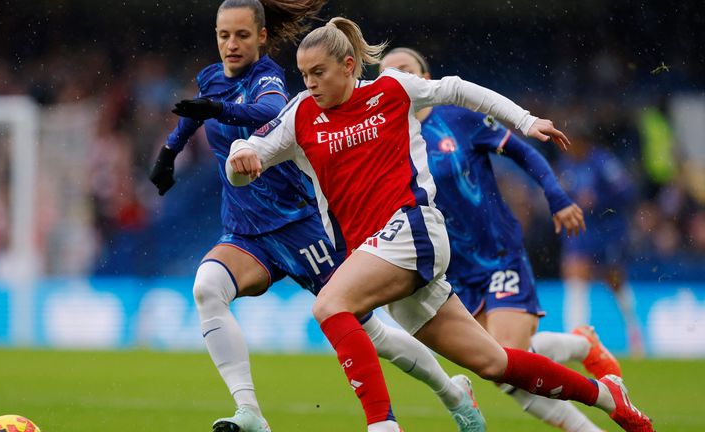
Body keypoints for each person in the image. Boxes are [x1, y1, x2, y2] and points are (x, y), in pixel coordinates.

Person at [226, 17, 654, 432]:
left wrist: (526, 121)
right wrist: (238, 160)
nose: (310, 83)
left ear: (349, 66)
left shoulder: (392, 88)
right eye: (304, 75)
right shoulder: (301, 114)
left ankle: (383, 424)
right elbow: (249, 155)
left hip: (413, 230)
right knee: (496, 363)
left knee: (329, 305)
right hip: (373, 252)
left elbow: (457, 89)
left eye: (319, 72)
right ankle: (607, 396)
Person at [150, 2, 484, 431]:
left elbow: (267, 113)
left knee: (370, 332)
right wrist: (168, 153)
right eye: (223, 35)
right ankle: (250, 413)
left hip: (301, 225)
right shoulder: (212, 78)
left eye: (242, 36)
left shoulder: (268, 79)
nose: (231, 45)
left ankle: (452, 393)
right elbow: (193, 111)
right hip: (248, 231)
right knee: (207, 288)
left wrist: (218, 112)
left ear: (263, 37)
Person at [380, 47, 626, 432]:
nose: (395, 78)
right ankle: (582, 345)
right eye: (386, 74)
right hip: (451, 270)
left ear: (424, 79)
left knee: (508, 358)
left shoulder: (458, 117)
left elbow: (521, 152)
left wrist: (556, 195)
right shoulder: (385, 142)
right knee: (499, 365)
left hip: (497, 254)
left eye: (404, 70)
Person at [556, 117, 645, 356]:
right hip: (579, 230)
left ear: (585, 142)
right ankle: (573, 340)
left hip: (607, 231)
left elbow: (627, 192)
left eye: (574, 142)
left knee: (615, 280)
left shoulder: (603, 162)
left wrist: (599, 200)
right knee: (575, 274)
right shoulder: (566, 164)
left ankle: (634, 330)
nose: (570, 147)